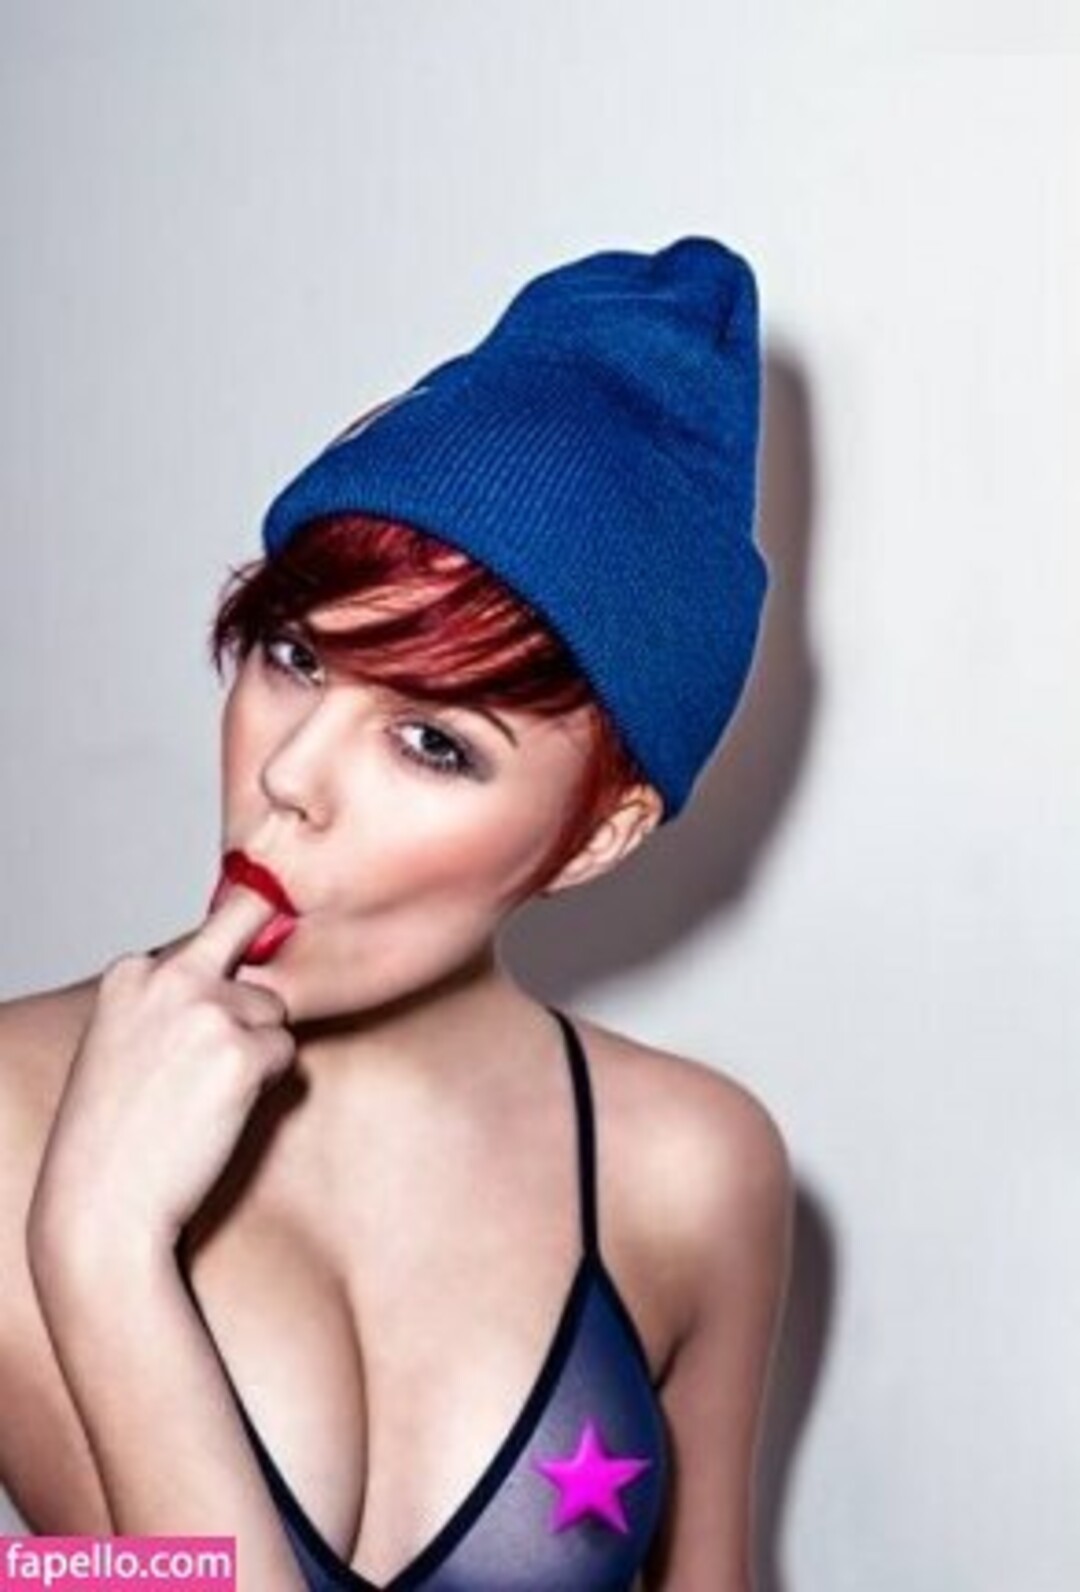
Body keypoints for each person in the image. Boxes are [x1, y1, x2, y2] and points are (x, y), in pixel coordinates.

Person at [0, 236, 793, 1591]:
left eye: (433, 742)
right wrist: (95, 1243)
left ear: (599, 833)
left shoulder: (690, 1169)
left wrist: (103, 1251)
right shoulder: (13, 1117)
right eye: (293, 658)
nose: (290, 774)